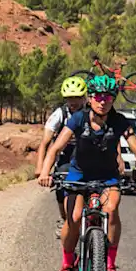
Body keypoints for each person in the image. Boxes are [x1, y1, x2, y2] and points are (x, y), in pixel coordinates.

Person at [37, 74, 136, 271]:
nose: (102, 101)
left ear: (113, 99)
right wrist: (45, 172)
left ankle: (109, 265)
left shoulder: (119, 121)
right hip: (79, 175)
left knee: (111, 209)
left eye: (108, 97)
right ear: (89, 98)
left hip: (107, 176)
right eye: (98, 96)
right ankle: (66, 266)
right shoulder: (78, 119)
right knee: (75, 218)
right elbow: (55, 148)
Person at [43, 75, 89, 225]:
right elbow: (46, 143)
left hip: (88, 155)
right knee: (61, 190)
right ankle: (64, 219)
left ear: (84, 97)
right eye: (69, 98)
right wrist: (42, 170)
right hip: (66, 156)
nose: (73, 102)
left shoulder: (93, 112)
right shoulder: (60, 114)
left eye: (77, 97)